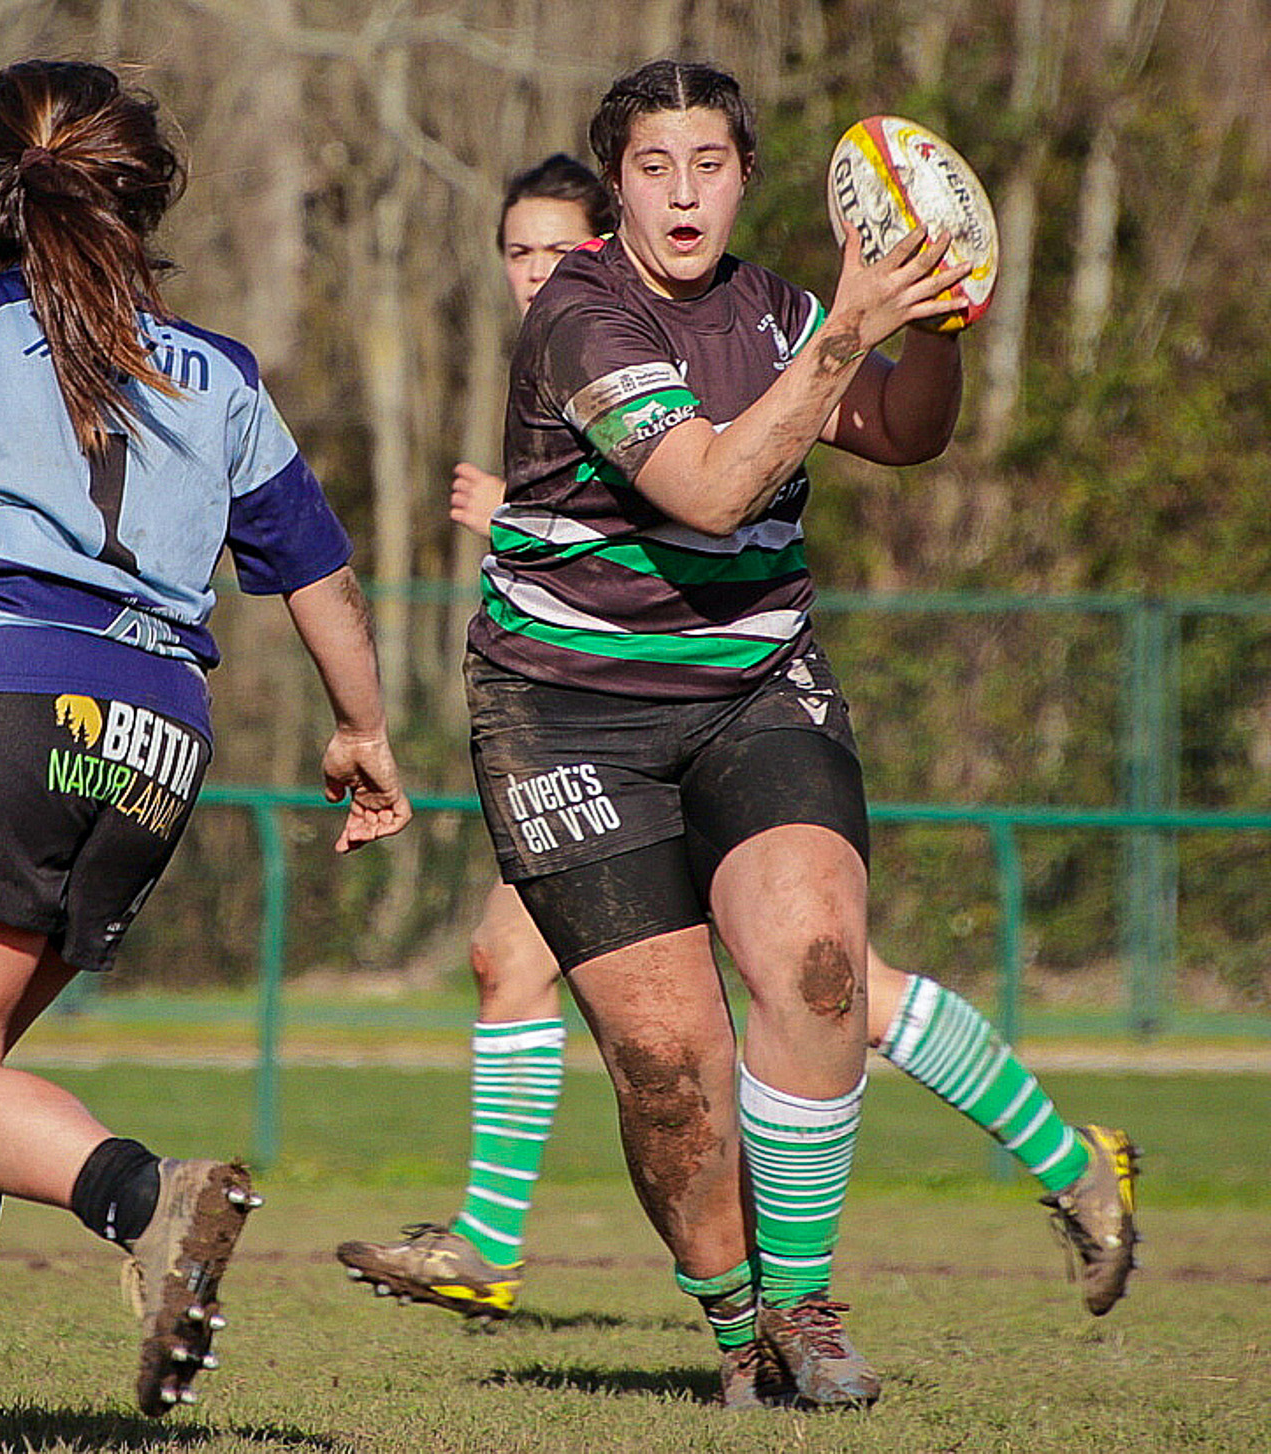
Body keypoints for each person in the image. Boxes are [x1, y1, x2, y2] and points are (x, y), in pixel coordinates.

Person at [339, 155, 1139, 1348]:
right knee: (517, 954)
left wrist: (921, 322)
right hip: (593, 725)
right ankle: (499, 1239)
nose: (536, 273)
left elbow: (714, 479)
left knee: (833, 984)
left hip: (721, 710)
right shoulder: (577, 342)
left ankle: (1062, 1157)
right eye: (516, 253)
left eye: (555, 248)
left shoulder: (710, 316)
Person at [0, 59, 410, 1451]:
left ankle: (142, 1196)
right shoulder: (220, 373)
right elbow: (319, 571)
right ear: (147, 194)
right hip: (152, 740)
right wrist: (365, 731)